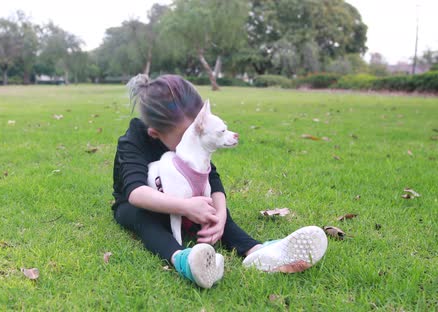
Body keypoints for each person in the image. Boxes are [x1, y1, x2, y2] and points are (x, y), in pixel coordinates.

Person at [111, 74, 328, 288]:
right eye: (187, 134)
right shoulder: (133, 140)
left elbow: (211, 177)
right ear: (155, 133)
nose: (194, 138)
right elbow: (135, 192)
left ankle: (257, 251)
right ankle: (183, 260)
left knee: (212, 207)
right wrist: (184, 206)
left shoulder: (194, 141)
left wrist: (221, 215)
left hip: (186, 198)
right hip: (142, 204)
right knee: (143, 217)